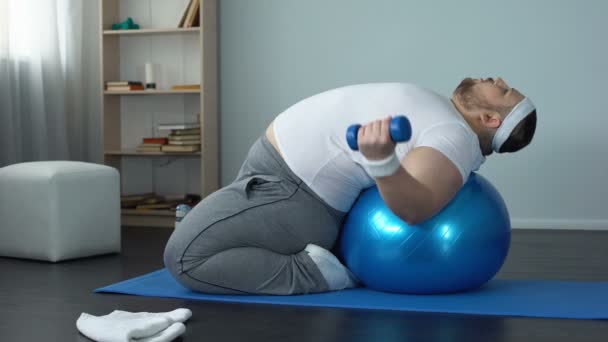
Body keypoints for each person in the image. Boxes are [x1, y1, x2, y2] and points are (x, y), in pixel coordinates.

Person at [163, 78, 538, 295]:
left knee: (184, 258)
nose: (499, 81)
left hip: (295, 192)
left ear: (489, 118)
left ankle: (317, 274)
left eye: (504, 92)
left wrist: (381, 160)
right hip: (275, 172)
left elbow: (415, 207)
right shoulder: (449, 120)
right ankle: (218, 231)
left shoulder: (454, 139)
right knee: (204, 234)